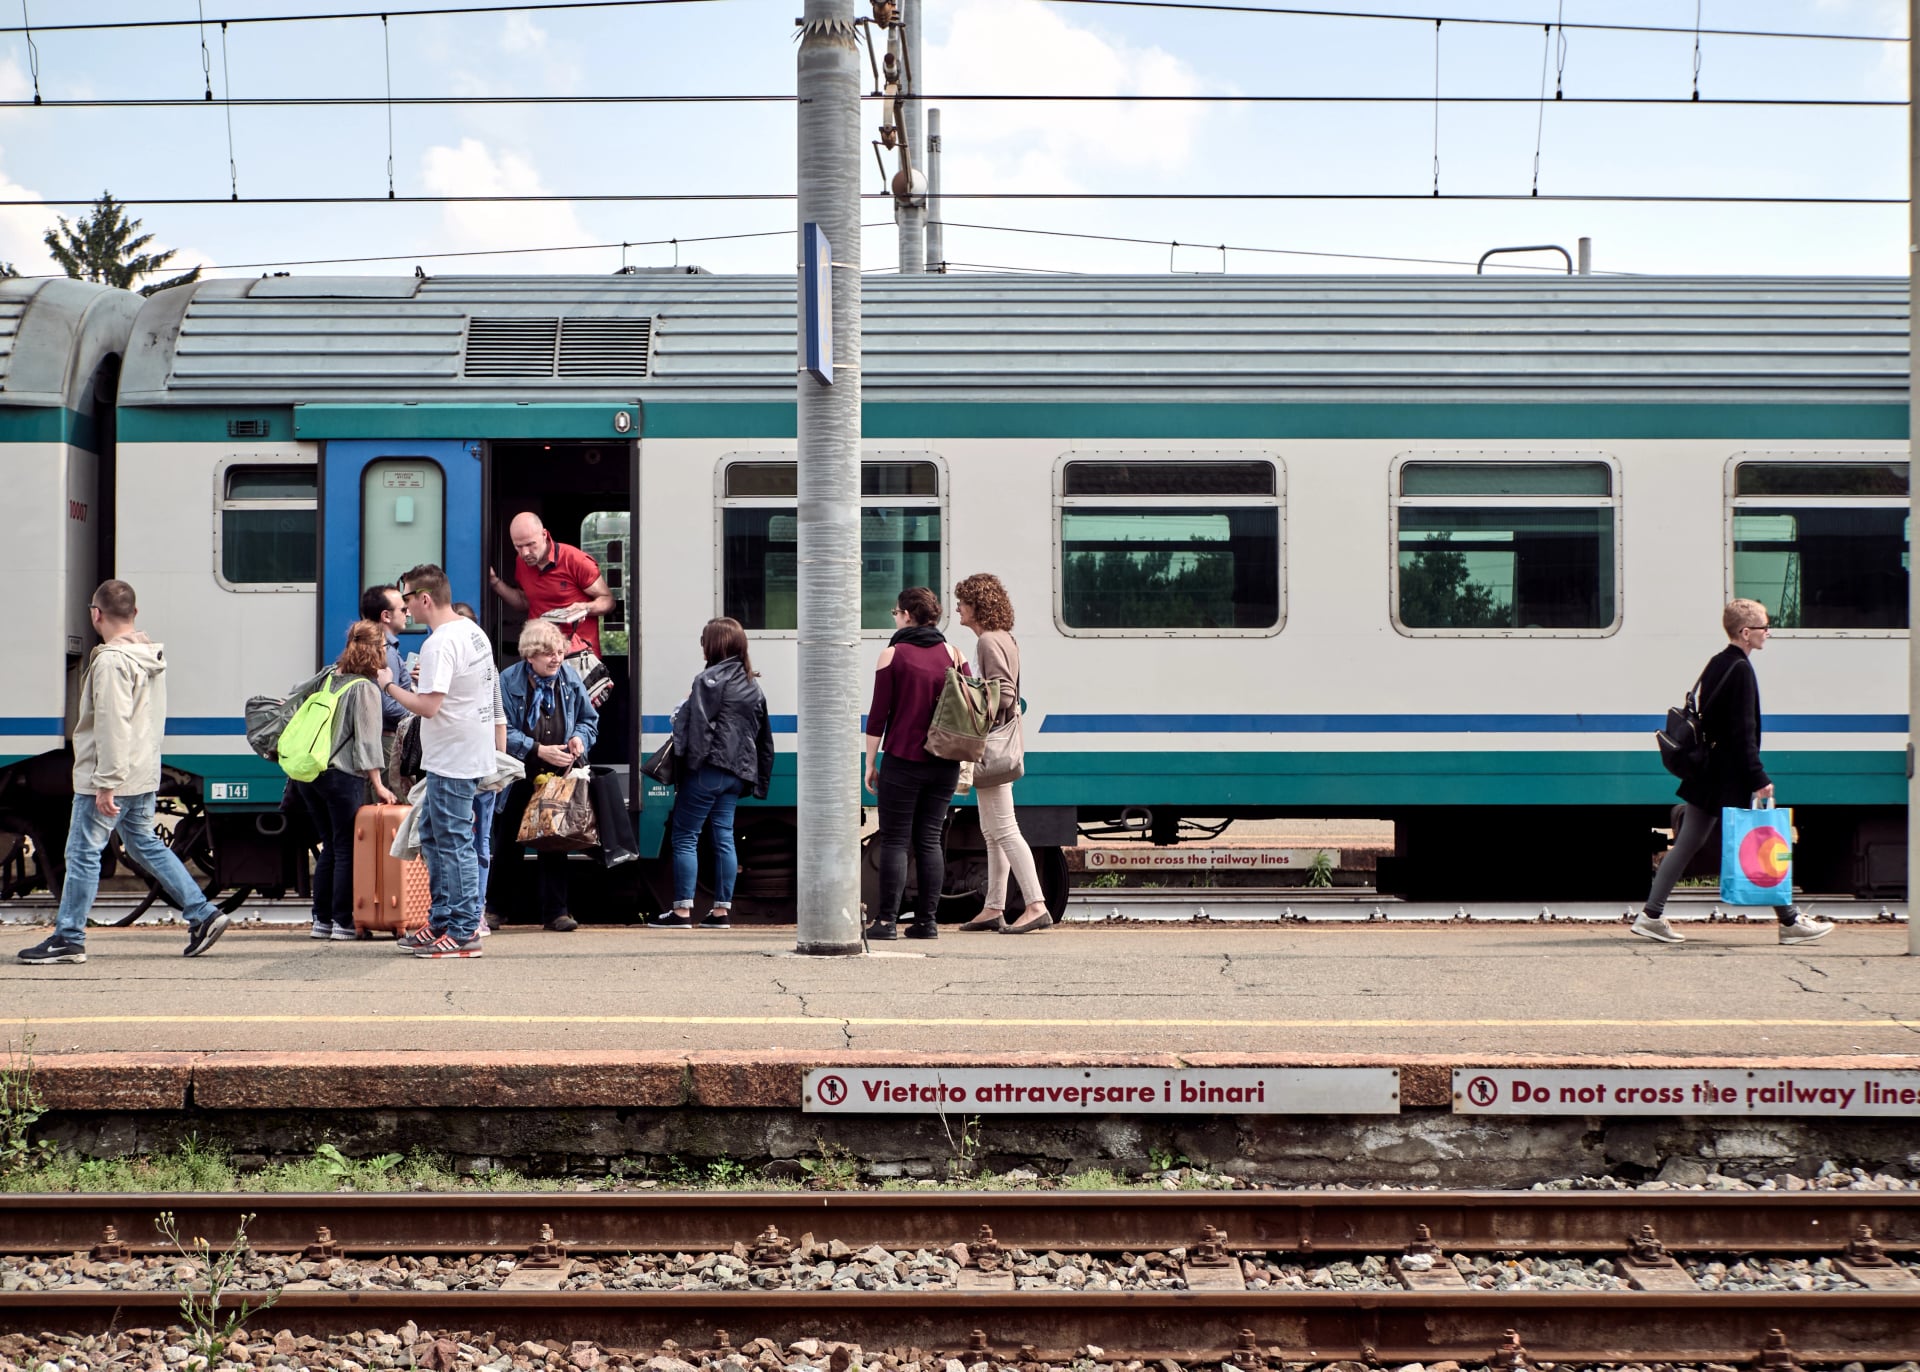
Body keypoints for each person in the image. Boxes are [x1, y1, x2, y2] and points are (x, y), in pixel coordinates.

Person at [17, 580, 232, 964]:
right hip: (143, 769)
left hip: (112, 775)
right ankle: (202, 913)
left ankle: (68, 937)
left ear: (95, 614)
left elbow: (112, 724)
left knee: (82, 853)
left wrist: (106, 783)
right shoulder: (149, 655)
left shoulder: (111, 661)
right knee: (141, 843)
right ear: (134, 614)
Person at [1632, 598, 1834, 947]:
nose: (1767, 633)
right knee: (1760, 842)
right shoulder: (1740, 669)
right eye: (1763, 627)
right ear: (1745, 632)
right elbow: (1742, 732)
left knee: (1687, 845)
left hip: (1709, 773)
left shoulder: (1718, 663)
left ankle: (1650, 915)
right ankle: (1789, 922)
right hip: (1728, 775)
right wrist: (1759, 778)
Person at [377, 564, 497, 959]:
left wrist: (389, 685)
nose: (406, 610)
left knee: (452, 842)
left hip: (451, 757)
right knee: (433, 836)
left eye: (408, 599)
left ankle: (463, 931)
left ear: (425, 598)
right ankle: (443, 920)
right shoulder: (471, 632)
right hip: (466, 751)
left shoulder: (440, 643)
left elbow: (428, 707)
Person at [650, 618, 774, 931]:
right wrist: (758, 777)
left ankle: (681, 912)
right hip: (737, 775)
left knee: (685, 837)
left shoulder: (707, 680)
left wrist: (688, 769)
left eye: (704, 640)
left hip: (708, 771)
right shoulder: (752, 685)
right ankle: (721, 912)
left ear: (713, 644)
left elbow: (697, 730)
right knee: (723, 838)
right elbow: (764, 738)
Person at [950, 573, 1051, 936]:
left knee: (1004, 829)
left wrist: (968, 698)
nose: (957, 607)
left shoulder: (988, 642)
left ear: (977, 605)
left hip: (991, 744)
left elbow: (1004, 695)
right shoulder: (1004, 638)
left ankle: (1036, 905)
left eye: (962, 601)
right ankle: (993, 907)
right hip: (1000, 744)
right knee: (991, 830)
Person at [863, 587, 966, 941]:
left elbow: (878, 717)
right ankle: (927, 922)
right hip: (945, 762)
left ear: (907, 614)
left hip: (903, 760)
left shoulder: (892, 655)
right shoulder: (954, 654)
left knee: (895, 840)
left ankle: (887, 922)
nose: (894, 617)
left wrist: (870, 763)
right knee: (929, 840)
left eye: (895, 612)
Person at [291, 622, 398, 941]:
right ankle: (343, 922)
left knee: (329, 846)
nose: (387, 654)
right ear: (376, 650)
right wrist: (379, 785)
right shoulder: (364, 688)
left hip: (309, 774)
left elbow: (295, 696)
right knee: (346, 848)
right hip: (341, 776)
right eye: (385, 648)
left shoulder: (328, 678)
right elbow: (367, 741)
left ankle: (320, 920)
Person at [496, 619, 599, 933]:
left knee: (554, 841)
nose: (556, 659)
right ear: (529, 655)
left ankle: (556, 913)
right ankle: (495, 910)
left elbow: (587, 719)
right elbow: (499, 729)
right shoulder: (508, 681)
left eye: (558, 652)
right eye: (547, 654)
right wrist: (537, 749)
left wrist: (580, 738)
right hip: (518, 770)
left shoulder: (569, 677)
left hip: (558, 772)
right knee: (508, 842)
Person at [486, 512, 615, 658]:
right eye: (518, 546)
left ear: (544, 535)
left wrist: (585, 608)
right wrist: (494, 582)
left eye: (530, 544)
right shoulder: (521, 562)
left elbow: (608, 601)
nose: (525, 553)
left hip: (577, 655)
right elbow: (525, 602)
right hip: (540, 654)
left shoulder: (575, 560)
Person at [453, 602, 509, 937]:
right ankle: (466, 914)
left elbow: (499, 720)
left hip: (476, 766)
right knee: (468, 844)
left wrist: (498, 768)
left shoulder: (489, 672)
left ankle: (474, 913)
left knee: (475, 844)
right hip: (461, 765)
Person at [360, 584, 414, 733]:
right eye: (403, 609)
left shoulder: (366, 645)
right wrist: (416, 715)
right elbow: (388, 706)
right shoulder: (385, 651)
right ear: (386, 616)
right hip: (387, 738)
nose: (408, 614)